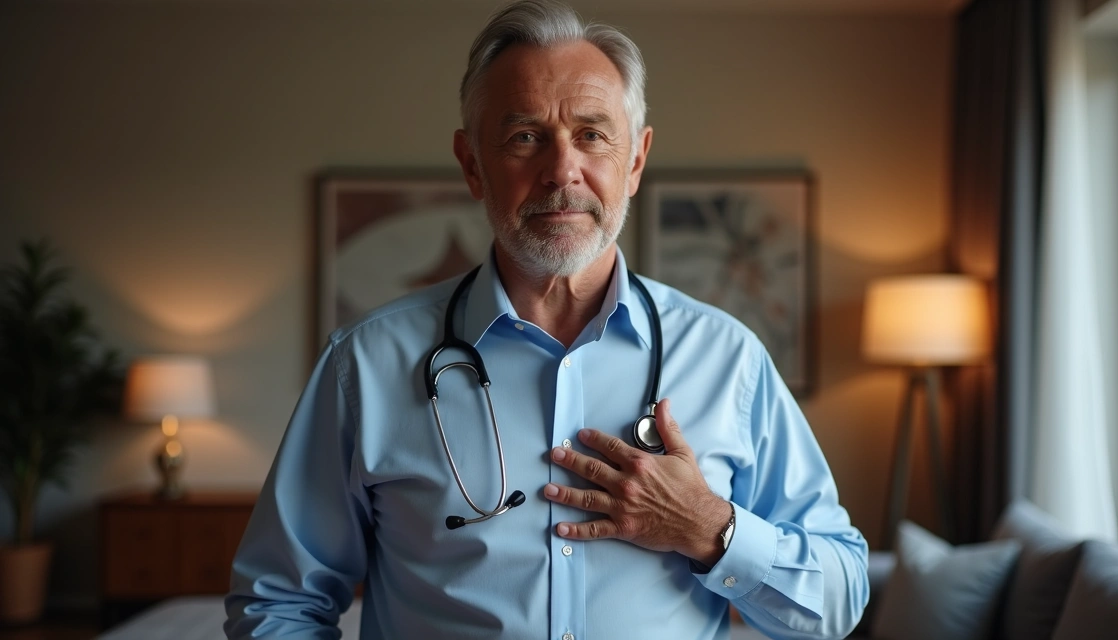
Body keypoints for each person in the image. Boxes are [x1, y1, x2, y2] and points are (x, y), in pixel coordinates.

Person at [224, 1, 869, 638]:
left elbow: (838, 601)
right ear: (473, 165)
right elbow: (277, 603)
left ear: (636, 161)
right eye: (525, 137)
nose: (562, 170)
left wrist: (709, 530)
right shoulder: (364, 365)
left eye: (592, 134)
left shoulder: (729, 359)